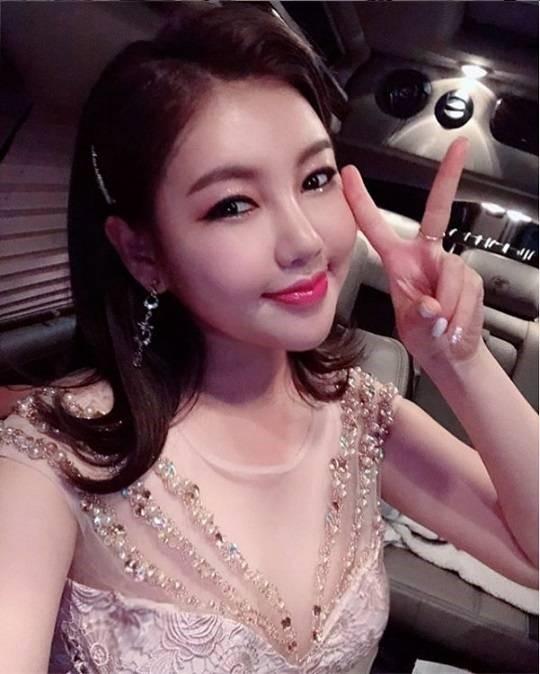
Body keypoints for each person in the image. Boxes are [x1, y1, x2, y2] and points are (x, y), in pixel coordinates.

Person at [0, 3, 537, 673]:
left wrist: (458, 358)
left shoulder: (358, 414)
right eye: (233, 204)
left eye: (315, 180)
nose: (305, 241)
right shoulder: (52, 461)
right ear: (143, 253)